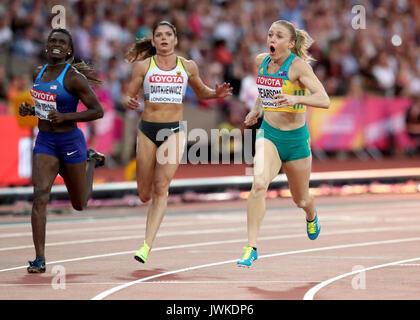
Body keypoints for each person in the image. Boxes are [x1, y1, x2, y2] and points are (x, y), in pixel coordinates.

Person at [123, 21, 232, 264]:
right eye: (159, 35)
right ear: (153, 41)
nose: (163, 38)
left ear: (175, 40)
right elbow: (128, 95)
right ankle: (148, 197)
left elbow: (201, 91)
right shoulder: (143, 66)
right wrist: (129, 102)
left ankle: (146, 245)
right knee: (143, 194)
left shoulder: (187, 66)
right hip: (148, 130)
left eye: (168, 35)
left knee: (161, 187)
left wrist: (216, 94)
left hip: (174, 131)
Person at [237, 20, 330, 267]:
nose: (272, 40)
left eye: (278, 36)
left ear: (290, 44)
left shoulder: (298, 67)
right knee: (258, 185)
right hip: (269, 135)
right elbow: (263, 90)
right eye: (270, 35)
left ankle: (311, 214)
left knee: (300, 199)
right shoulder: (262, 62)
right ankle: (251, 247)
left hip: (296, 140)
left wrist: (292, 96)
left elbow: (324, 99)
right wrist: (257, 110)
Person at [19, 28, 105, 273]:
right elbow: (44, 109)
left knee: (79, 204)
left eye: (61, 42)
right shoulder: (38, 72)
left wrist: (67, 116)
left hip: (70, 142)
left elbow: (97, 110)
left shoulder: (74, 77)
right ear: (46, 46)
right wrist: (31, 111)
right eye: (52, 40)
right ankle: (39, 258)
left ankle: (90, 161)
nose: (56, 44)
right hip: (45, 141)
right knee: (39, 196)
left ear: (69, 50)